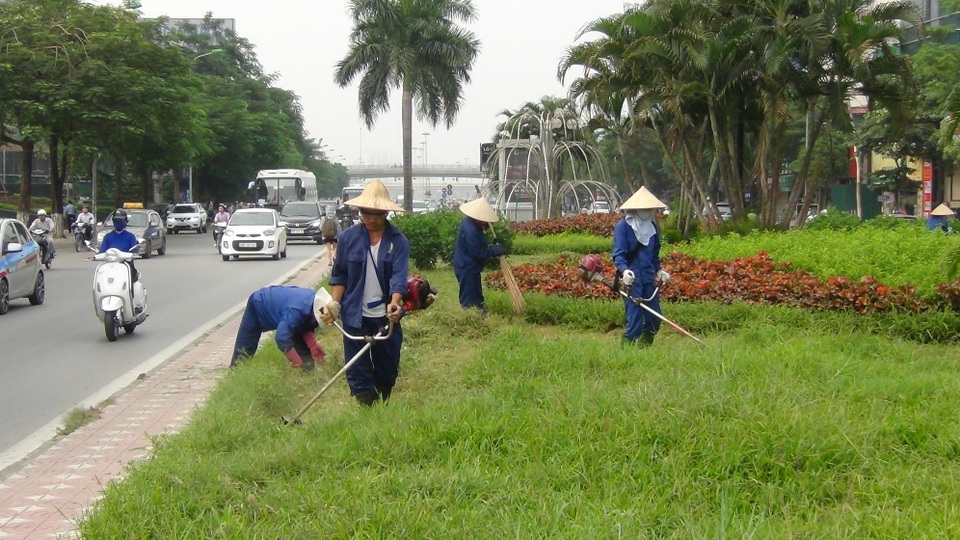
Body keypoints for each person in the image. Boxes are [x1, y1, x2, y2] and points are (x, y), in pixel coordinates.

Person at [319, 180, 409, 406]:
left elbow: (399, 276)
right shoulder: (349, 238)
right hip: (354, 314)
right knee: (357, 370)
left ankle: (383, 402)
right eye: (364, 213)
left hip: (384, 316)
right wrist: (334, 304)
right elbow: (340, 275)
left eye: (375, 214)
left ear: (386, 213)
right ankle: (366, 411)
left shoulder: (397, 242)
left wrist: (395, 303)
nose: (369, 219)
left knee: (387, 368)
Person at [612, 187, 670, 346]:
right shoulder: (623, 227)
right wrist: (624, 270)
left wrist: (659, 270)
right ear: (635, 209)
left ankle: (645, 347)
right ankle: (626, 351)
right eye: (644, 209)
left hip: (648, 278)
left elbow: (654, 255)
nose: (647, 211)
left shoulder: (652, 228)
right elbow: (618, 254)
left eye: (649, 209)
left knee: (655, 318)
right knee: (635, 320)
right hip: (631, 280)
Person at [230, 285, 327, 371]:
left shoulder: (317, 303)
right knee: (244, 351)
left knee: (304, 352)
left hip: (284, 307)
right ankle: (234, 376)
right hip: (259, 303)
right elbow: (281, 338)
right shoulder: (296, 311)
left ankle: (307, 375)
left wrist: (312, 344)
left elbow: (305, 323)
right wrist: (295, 359)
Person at [453, 197, 506, 313]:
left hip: (471, 267)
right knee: (468, 299)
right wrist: (494, 250)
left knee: (477, 295)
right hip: (466, 267)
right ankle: (469, 319)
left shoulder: (473, 224)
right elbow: (478, 253)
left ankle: (480, 313)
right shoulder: (470, 230)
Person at [99, 209, 141, 282]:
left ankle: (131, 292)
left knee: (131, 278)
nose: (118, 223)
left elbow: (135, 251)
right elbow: (102, 251)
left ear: (125, 222)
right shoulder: (108, 236)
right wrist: (98, 256)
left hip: (126, 265)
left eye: (120, 220)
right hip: (110, 266)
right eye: (116, 221)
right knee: (100, 276)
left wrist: (134, 254)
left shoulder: (130, 236)